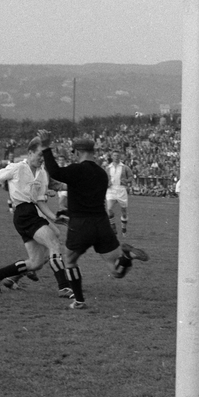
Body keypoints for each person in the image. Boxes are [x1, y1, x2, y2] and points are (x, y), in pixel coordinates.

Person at [36, 130, 147, 310]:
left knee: (70, 261)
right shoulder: (102, 174)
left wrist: (47, 147)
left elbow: (55, 171)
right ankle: (127, 257)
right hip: (102, 224)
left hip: (81, 224)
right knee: (116, 270)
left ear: (78, 152)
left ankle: (79, 301)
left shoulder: (76, 170)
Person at [0, 138, 75, 297]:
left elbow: (40, 201)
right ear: (30, 152)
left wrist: (54, 218)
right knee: (53, 242)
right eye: (40, 154)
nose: (42, 158)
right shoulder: (17, 168)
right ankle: (64, 287)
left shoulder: (42, 174)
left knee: (36, 262)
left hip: (31, 212)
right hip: (23, 213)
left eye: (44, 156)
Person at [105, 150, 131, 236]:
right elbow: (104, 178)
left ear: (120, 157)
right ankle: (113, 228)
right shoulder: (108, 168)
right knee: (109, 209)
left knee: (124, 211)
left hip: (121, 190)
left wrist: (126, 181)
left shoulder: (125, 167)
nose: (116, 157)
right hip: (111, 190)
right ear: (112, 157)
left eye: (117, 155)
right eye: (114, 155)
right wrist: (106, 183)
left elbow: (131, 177)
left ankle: (124, 229)